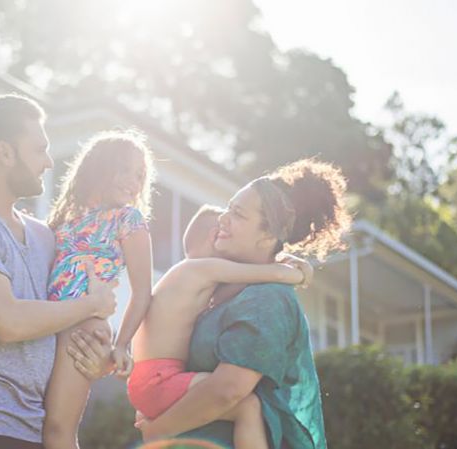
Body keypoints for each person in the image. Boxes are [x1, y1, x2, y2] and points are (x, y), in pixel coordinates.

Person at [0, 94, 117, 449]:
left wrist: (101, 354)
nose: (47, 162)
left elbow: (62, 320)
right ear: (5, 152)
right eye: (39, 149)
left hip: (37, 430)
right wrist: (93, 305)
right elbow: (8, 322)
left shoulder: (44, 237)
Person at [136, 158, 351, 449]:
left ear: (268, 235)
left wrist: (158, 430)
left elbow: (229, 390)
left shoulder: (267, 299)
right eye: (227, 208)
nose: (222, 219)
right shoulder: (219, 286)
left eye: (237, 214)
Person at [127, 205, 313, 449]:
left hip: (148, 378)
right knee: (247, 404)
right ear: (215, 237)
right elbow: (268, 274)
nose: (229, 231)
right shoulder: (203, 269)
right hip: (159, 379)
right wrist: (302, 274)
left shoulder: (185, 277)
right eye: (226, 228)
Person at [43, 130, 155, 449]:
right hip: (47, 323)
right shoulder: (65, 219)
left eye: (140, 175)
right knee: (39, 423)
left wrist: (121, 346)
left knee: (58, 429)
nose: (133, 182)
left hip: (84, 330)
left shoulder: (128, 220)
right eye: (125, 169)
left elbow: (143, 292)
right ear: (99, 167)